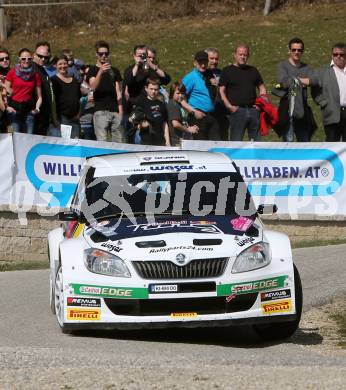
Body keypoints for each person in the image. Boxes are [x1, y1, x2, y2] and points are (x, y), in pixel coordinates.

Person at [219, 43, 266, 141]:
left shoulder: (253, 70)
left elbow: (262, 87)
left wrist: (260, 104)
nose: (242, 57)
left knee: (256, 142)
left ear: (248, 56)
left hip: (253, 110)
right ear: (235, 55)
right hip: (237, 111)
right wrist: (229, 106)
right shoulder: (227, 71)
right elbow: (221, 90)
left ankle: (256, 157)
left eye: (245, 55)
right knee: (236, 141)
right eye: (240, 54)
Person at [275, 37, 318, 142]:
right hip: (287, 108)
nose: (296, 52)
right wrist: (302, 81)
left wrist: (295, 80)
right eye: (294, 50)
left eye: (299, 50)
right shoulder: (282, 66)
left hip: (302, 109)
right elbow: (283, 81)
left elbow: (313, 81)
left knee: (305, 142)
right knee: (288, 143)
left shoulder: (306, 68)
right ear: (289, 50)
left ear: (302, 51)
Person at [87, 40, 124, 142]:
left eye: (106, 53)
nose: (103, 56)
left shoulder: (114, 71)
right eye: (101, 54)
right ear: (96, 54)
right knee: (102, 142)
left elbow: (118, 92)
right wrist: (100, 72)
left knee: (118, 142)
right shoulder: (92, 70)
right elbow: (93, 87)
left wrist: (120, 111)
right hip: (100, 110)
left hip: (115, 110)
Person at [181, 50, 220, 140]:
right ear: (195, 63)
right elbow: (180, 98)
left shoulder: (208, 76)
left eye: (205, 62)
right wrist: (193, 112)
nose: (203, 65)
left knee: (216, 143)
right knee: (201, 145)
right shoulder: (190, 77)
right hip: (198, 117)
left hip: (211, 115)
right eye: (200, 62)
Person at [312, 42, 346, 141]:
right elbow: (314, 89)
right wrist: (324, 103)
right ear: (332, 55)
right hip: (332, 113)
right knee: (332, 143)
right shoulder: (323, 71)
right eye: (335, 54)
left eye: (341, 54)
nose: (338, 57)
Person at [4, 48, 42, 134]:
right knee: (13, 139)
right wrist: (7, 107)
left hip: (29, 112)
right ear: (19, 59)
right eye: (23, 58)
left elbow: (39, 96)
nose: (26, 61)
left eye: (29, 59)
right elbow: (5, 91)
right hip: (14, 112)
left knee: (28, 140)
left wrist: (37, 109)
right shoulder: (12, 72)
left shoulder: (35, 75)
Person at [123, 45, 171, 111]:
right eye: (148, 57)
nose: (150, 60)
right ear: (135, 56)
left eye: (152, 58)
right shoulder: (131, 70)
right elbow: (129, 81)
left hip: (153, 105)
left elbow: (167, 79)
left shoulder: (153, 70)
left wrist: (153, 67)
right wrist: (137, 64)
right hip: (137, 106)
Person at [51, 54, 81, 138]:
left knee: (75, 145)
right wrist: (54, 118)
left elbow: (79, 98)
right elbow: (52, 101)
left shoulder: (74, 80)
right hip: (61, 118)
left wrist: (79, 114)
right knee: (63, 145)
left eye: (64, 63)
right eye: (60, 64)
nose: (63, 66)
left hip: (75, 118)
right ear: (55, 66)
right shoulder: (53, 80)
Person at [134, 78, 170, 146]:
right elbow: (134, 120)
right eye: (151, 89)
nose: (153, 91)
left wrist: (167, 141)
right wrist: (141, 124)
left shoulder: (162, 104)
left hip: (160, 141)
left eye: (156, 89)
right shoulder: (141, 103)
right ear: (146, 88)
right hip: (146, 142)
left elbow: (164, 124)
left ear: (159, 89)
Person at [33, 41, 57, 135]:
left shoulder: (43, 70)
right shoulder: (29, 68)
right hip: (34, 115)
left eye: (46, 57)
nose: (43, 59)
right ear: (34, 54)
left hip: (44, 116)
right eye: (40, 56)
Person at [205, 47, 229, 140]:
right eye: (211, 59)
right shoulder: (201, 74)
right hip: (207, 112)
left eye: (216, 59)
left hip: (222, 112)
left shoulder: (222, 73)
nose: (214, 61)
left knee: (223, 139)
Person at [167, 82, 199, 146]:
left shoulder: (178, 104)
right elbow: (175, 124)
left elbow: (182, 122)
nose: (181, 95)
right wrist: (188, 129)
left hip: (182, 138)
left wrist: (190, 127)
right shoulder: (173, 104)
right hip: (177, 140)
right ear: (172, 93)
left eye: (182, 93)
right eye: (178, 93)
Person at [79, 64, 95, 140]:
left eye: (91, 74)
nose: (88, 76)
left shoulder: (96, 86)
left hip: (96, 123)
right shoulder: (79, 86)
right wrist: (86, 99)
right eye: (86, 74)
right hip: (83, 123)